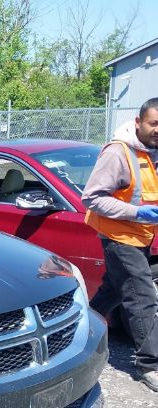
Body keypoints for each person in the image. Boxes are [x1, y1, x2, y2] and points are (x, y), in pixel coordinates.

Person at [82, 97, 158, 391]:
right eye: (153, 124)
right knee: (142, 295)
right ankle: (149, 364)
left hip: (141, 236)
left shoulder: (152, 153)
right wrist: (136, 212)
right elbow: (92, 197)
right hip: (119, 237)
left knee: (113, 290)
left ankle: (83, 330)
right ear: (138, 122)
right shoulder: (118, 152)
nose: (157, 130)